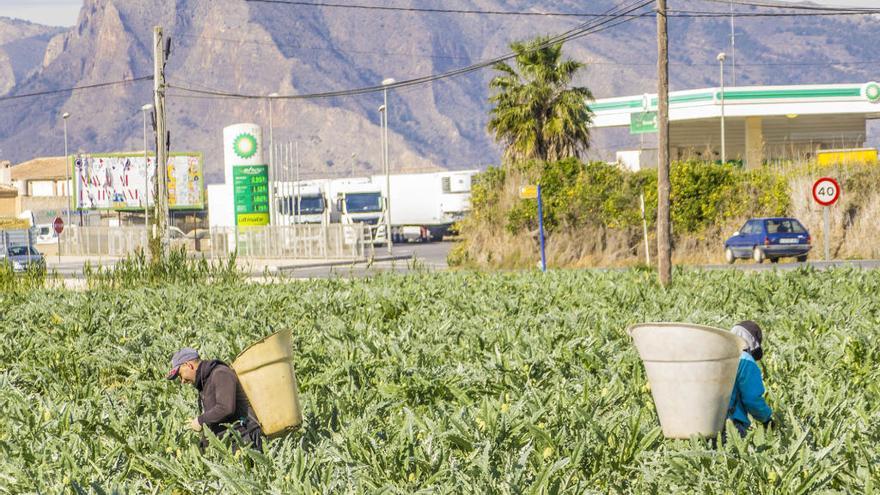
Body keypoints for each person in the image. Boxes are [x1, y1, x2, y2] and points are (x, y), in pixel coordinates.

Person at [167, 347, 263, 452]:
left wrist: (200, 421)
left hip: (246, 441)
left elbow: (225, 408)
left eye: (180, 375)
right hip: (233, 443)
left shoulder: (220, 373)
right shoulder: (205, 381)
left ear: (188, 365)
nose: (182, 381)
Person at [727, 321, 774, 437]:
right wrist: (767, 419)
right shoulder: (746, 360)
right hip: (730, 424)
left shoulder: (716, 354)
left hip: (701, 421)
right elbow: (752, 399)